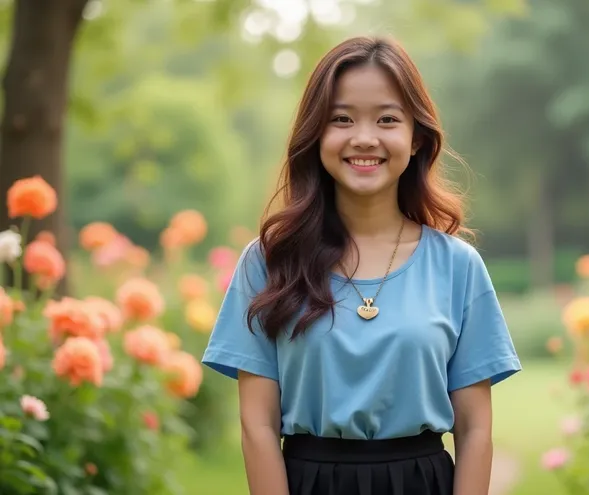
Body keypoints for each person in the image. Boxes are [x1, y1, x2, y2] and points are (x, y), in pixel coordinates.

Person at [201, 35, 521, 495]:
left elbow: (475, 430)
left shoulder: (458, 266)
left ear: (416, 139)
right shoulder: (270, 261)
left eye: (388, 119)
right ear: (316, 136)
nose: (364, 138)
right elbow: (257, 427)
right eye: (342, 119)